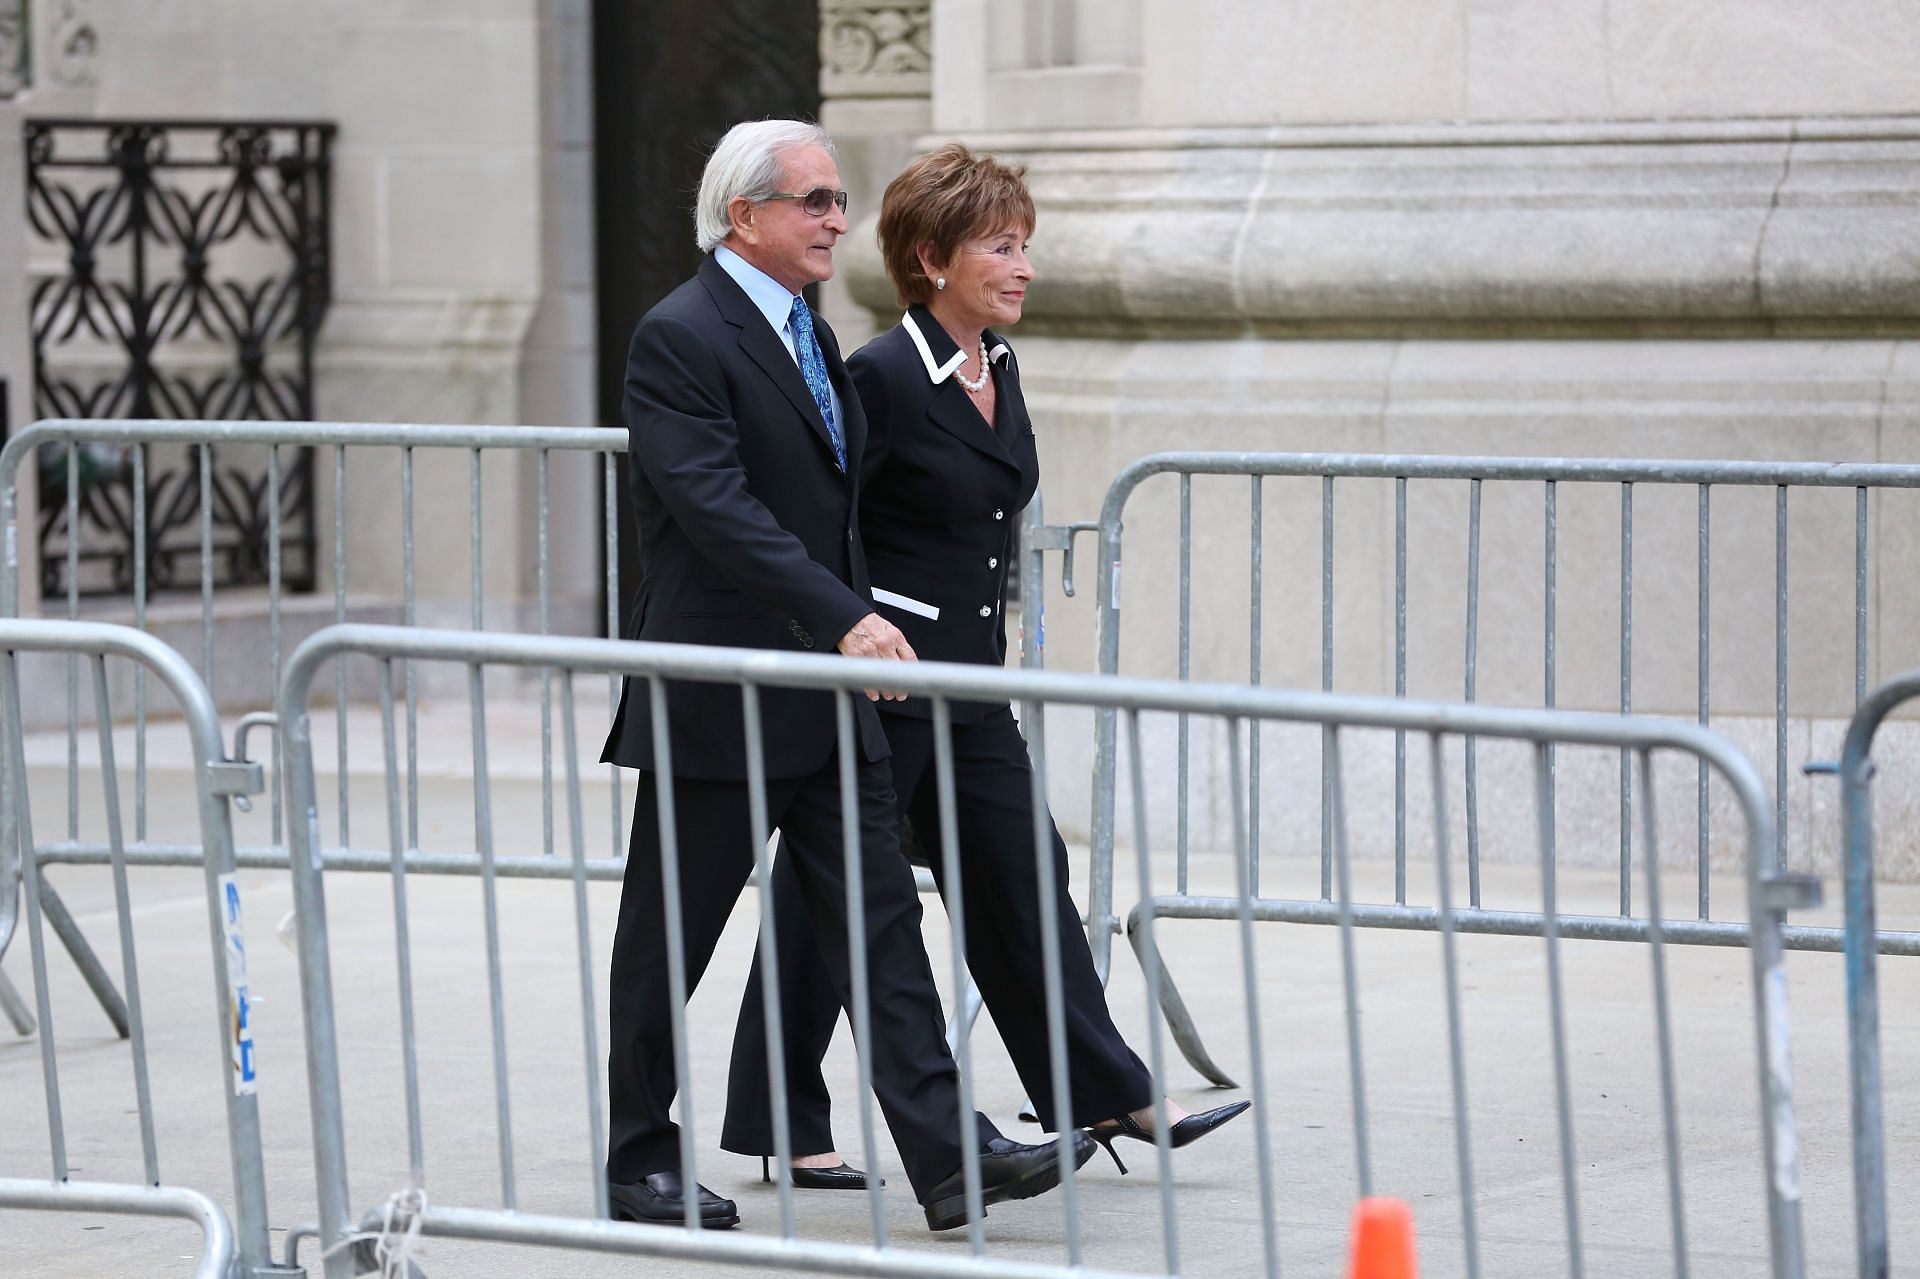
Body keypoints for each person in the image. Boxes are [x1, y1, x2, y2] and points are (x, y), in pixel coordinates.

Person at [721, 143, 1249, 1186]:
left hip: (971, 680)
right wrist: (849, 635)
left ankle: (1107, 1092)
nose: (1023, 268)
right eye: (1002, 248)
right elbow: (826, 526)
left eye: (1025, 247)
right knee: (837, 898)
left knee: (1019, 867)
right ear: (932, 258)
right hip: (884, 678)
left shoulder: (997, 364)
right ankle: (784, 1115)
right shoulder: (873, 375)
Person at [599, 120, 1090, 1234]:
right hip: (719, 690)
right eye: (816, 201)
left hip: (824, 694)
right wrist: (849, 619)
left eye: (836, 201)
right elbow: (716, 507)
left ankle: (951, 1153)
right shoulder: (680, 336)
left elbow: (839, 514)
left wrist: (857, 631)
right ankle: (640, 1154)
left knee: (879, 926)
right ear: (746, 217)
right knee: (667, 938)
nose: (837, 220)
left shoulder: (812, 335)